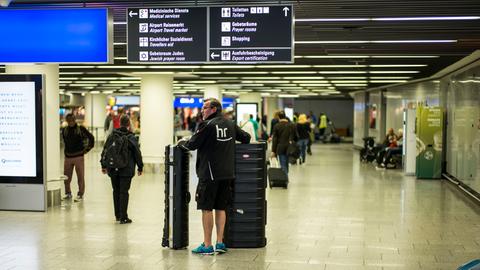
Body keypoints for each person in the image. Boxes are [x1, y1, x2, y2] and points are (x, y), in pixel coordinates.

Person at [179, 97, 251, 255]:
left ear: (213, 110)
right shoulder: (230, 124)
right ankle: (220, 242)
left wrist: (181, 142)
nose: (202, 111)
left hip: (209, 174)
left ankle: (207, 244)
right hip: (227, 174)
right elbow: (246, 138)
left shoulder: (207, 125)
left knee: (206, 208)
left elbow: (192, 144)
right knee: (221, 207)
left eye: (205, 108)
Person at [101, 115, 143, 224]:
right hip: (126, 169)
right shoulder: (131, 138)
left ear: (119, 123)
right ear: (129, 124)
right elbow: (137, 153)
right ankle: (124, 217)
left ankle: (118, 215)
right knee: (124, 192)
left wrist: (103, 165)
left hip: (113, 168)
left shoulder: (112, 136)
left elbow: (105, 150)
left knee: (116, 191)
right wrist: (140, 166)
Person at [62, 113, 95, 201]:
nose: (71, 122)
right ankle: (68, 193)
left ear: (75, 120)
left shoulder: (80, 129)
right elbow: (65, 142)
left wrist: (86, 150)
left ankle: (80, 194)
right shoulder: (64, 130)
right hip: (68, 157)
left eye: (72, 120)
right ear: (67, 121)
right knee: (66, 177)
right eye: (69, 121)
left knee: (80, 176)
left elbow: (91, 138)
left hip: (79, 157)